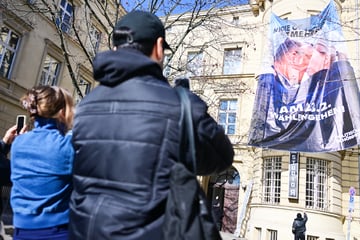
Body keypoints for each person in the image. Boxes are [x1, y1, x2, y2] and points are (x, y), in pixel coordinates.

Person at [69, 10, 234, 240]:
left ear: (115, 47)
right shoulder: (179, 105)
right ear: (158, 47)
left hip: (85, 230)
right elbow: (223, 157)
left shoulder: (86, 105)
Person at [10, 85, 75, 240]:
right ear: (62, 113)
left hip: (21, 230)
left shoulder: (18, 143)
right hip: (58, 232)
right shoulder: (67, 145)